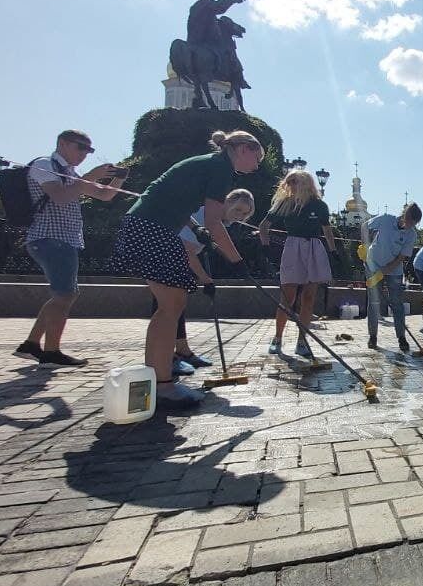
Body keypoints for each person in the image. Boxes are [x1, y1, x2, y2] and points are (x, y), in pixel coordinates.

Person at [112, 130, 263, 408]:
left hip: (148, 226)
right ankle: (163, 384)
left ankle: (157, 378)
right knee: (172, 304)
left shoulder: (210, 163)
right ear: (243, 149)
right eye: (258, 156)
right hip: (153, 228)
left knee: (171, 304)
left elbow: (180, 202)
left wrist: (196, 228)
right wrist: (236, 260)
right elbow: (216, 222)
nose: (258, 164)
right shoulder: (220, 167)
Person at [15, 130, 123, 367]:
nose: (85, 153)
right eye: (81, 147)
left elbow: (105, 196)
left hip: (63, 239)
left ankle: (31, 344)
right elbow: (61, 197)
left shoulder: (70, 173)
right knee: (65, 294)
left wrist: (119, 178)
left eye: (89, 150)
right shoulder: (45, 165)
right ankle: (51, 351)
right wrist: (89, 177)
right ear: (62, 143)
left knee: (62, 294)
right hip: (50, 238)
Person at [163, 188, 256, 375]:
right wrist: (205, 278)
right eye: (238, 210)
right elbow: (185, 249)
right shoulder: (203, 214)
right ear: (227, 202)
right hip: (166, 252)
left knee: (177, 305)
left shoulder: (222, 222)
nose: (240, 216)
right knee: (166, 307)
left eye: (246, 213)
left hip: (177, 257)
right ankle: (165, 358)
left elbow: (206, 246)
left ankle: (182, 351)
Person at [260, 169, 334, 359]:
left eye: (295, 181)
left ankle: (302, 340)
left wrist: (333, 252)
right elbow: (263, 226)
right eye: (289, 181)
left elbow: (327, 229)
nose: (290, 185)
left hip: (313, 247)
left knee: (309, 298)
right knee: (287, 298)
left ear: (306, 184)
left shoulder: (319, 206)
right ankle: (277, 338)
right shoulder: (285, 203)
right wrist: (266, 249)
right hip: (293, 247)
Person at [365, 203, 422, 352]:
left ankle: (401, 337)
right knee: (374, 302)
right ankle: (373, 337)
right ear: (404, 215)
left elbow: (401, 258)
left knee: (397, 303)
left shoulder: (411, 234)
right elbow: (364, 226)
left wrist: (383, 272)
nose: (410, 226)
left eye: (414, 223)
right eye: (409, 221)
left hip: (394, 269)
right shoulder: (385, 220)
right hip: (373, 264)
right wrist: (364, 246)